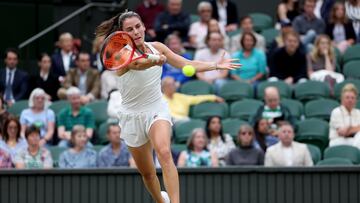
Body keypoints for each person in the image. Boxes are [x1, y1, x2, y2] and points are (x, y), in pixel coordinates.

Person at [95, 10, 239, 203]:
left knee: (164, 152)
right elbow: (139, 64)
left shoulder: (158, 47)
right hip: (131, 116)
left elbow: (186, 64)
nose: (136, 32)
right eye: (130, 29)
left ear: (144, 27)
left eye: (138, 27)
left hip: (156, 108)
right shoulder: (121, 55)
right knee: (147, 174)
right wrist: (155, 60)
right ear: (123, 33)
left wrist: (216, 65)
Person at [329, 84, 360, 148]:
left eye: (352, 98)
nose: (350, 100)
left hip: (354, 140)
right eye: (347, 97)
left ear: (356, 100)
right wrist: (356, 128)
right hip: (337, 141)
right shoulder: (336, 111)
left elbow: (348, 131)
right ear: (342, 99)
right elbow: (342, 132)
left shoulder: (358, 112)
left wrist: (349, 129)